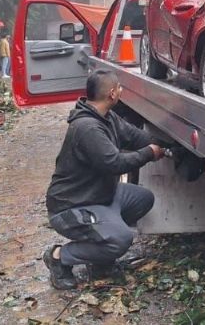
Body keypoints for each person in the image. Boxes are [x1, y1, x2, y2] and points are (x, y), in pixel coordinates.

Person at [43, 69, 165, 289]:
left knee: (143, 198)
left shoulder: (107, 116)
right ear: (111, 94)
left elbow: (136, 136)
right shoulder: (88, 128)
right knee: (121, 238)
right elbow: (115, 163)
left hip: (98, 195)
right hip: (71, 206)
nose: (121, 91)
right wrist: (149, 153)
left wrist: (167, 144)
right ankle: (59, 257)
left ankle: (100, 259)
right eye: (119, 88)